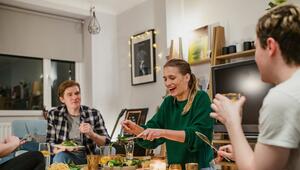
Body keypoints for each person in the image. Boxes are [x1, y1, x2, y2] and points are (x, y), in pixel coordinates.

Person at [211, 4, 300, 170]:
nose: (256, 57)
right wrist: (242, 151)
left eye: (256, 47)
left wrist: (232, 121)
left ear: (271, 46)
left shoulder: (281, 98)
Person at [122, 59, 214, 170]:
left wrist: (162, 132)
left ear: (187, 77)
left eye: (172, 78)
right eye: (165, 79)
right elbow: (153, 133)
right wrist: (135, 129)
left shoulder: (201, 98)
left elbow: (198, 136)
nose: (167, 83)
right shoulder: (168, 102)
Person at [46, 80, 110, 164]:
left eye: (77, 93)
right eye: (69, 94)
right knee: (60, 157)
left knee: (111, 150)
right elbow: (49, 143)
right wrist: (59, 149)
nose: (75, 97)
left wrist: (92, 134)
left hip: (89, 156)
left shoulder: (94, 113)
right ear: (62, 99)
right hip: (66, 155)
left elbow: (106, 143)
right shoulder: (54, 115)